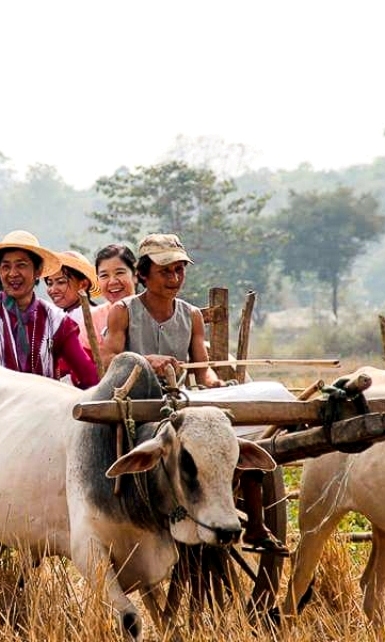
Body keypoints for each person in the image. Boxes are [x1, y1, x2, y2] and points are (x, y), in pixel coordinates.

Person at [101, 233, 286, 555]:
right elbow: (108, 362)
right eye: (165, 271)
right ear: (143, 274)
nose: (174, 278)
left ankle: (254, 523)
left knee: (244, 432)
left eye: (179, 270)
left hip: (186, 404)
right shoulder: (124, 312)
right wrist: (145, 363)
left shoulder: (191, 315)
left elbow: (204, 370)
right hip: (142, 406)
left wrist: (214, 383)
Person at [0, 230, 99, 388]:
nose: (12, 273)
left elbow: (88, 375)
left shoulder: (58, 321)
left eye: (21, 265)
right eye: (5, 267)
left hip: (42, 408)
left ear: (37, 271)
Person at [44, 250, 101, 352]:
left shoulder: (86, 316)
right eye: (49, 283)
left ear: (83, 285)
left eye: (61, 282)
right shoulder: (59, 316)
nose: (52, 289)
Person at [90, 244, 137, 342]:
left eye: (119, 273)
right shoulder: (93, 319)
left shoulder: (155, 312)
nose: (112, 281)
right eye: (104, 275)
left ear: (135, 275)